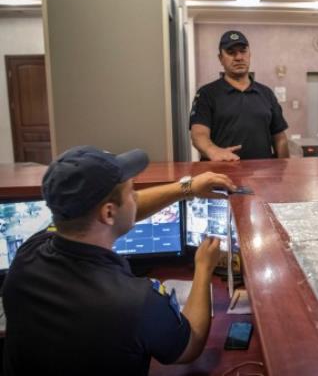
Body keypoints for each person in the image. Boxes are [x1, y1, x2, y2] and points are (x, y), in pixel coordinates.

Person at [2, 145, 237, 375]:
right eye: (132, 191)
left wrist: (187, 188)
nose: (136, 198)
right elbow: (190, 346)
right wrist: (203, 268)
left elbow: (117, 210)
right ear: (108, 213)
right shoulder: (134, 302)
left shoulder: (27, 254)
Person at [189, 30, 289, 161]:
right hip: (220, 175)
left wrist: (284, 169)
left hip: (263, 176)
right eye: (231, 52)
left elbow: (280, 138)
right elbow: (199, 134)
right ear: (220, 58)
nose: (238, 57)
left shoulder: (266, 93)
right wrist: (213, 151)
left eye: (243, 51)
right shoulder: (206, 93)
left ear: (249, 55)